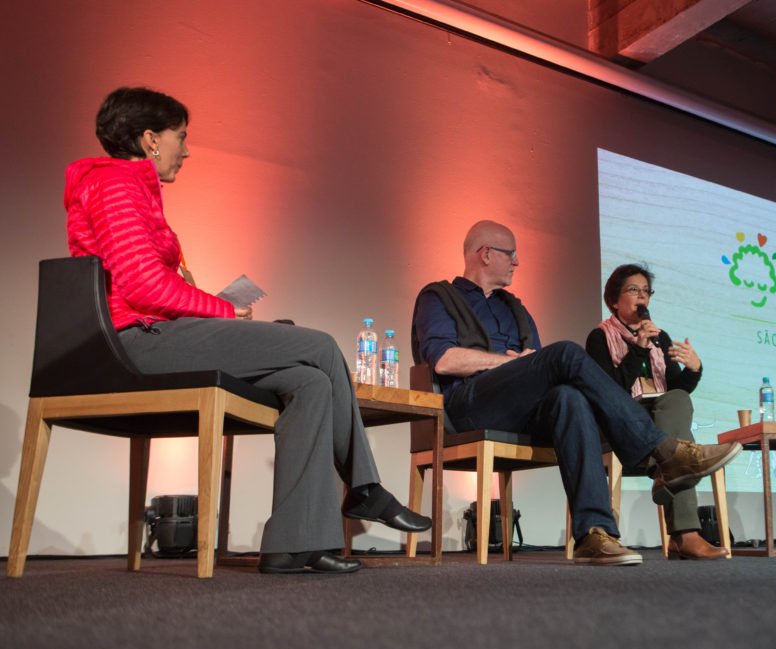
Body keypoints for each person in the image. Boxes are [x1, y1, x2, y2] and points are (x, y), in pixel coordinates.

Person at [64, 86, 431, 575]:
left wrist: (203, 300)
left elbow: (148, 280)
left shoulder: (131, 189)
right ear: (151, 139)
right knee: (320, 346)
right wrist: (218, 309)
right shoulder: (116, 184)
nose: (187, 150)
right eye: (181, 137)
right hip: (134, 343)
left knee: (311, 383)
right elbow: (141, 285)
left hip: (159, 334)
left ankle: (295, 543)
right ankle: (366, 489)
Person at [411, 220, 741, 565]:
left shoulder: (515, 309)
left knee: (570, 398)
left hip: (518, 409)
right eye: (511, 254)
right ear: (486, 254)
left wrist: (529, 364)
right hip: (467, 406)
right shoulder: (439, 296)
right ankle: (664, 452)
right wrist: (507, 364)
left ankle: (594, 533)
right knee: (565, 353)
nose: (516, 262)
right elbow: (445, 361)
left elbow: (540, 373)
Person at [585, 264, 727, 560]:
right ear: (614, 299)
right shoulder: (598, 338)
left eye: (646, 291)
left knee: (677, 400)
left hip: (658, 422)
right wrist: (637, 349)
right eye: (634, 290)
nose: (642, 297)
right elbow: (607, 394)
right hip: (620, 426)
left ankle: (667, 472)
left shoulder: (660, 338)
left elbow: (677, 391)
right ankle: (685, 535)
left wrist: (694, 368)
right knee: (678, 451)